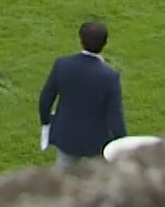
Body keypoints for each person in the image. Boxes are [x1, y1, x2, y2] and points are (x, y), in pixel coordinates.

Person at [37, 21, 127, 167]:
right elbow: (115, 117)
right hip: (97, 142)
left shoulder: (62, 65)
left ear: (80, 40)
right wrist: (122, 145)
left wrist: (46, 125)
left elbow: (45, 100)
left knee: (63, 182)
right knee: (100, 181)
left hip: (67, 136)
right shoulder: (110, 77)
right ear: (105, 43)